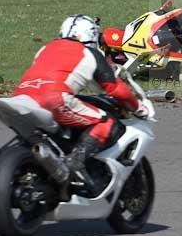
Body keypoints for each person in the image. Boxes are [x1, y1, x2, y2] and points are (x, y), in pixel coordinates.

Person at [13, 14, 151, 188]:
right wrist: (138, 107)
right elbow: (115, 89)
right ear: (91, 35)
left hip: (21, 97)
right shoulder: (90, 53)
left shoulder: (46, 48)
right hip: (55, 100)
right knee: (106, 122)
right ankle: (76, 161)